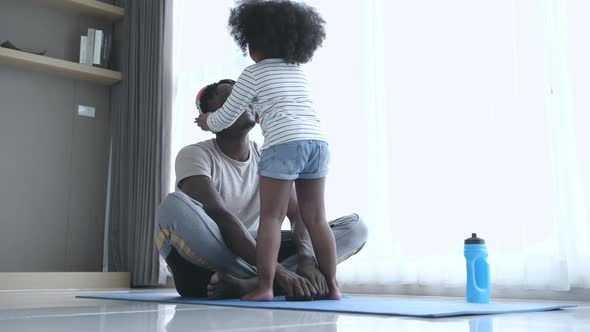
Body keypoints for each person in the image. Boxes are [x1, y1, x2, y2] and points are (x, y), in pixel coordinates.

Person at [157, 79, 368, 300]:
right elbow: (218, 214)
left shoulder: (270, 157)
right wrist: (280, 272)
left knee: (355, 227)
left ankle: (254, 284)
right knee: (174, 206)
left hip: (251, 255)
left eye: (247, 97)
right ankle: (275, 279)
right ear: (212, 118)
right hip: (202, 263)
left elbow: (297, 216)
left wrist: (307, 258)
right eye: (232, 99)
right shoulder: (194, 155)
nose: (245, 102)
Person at [196, 0, 337, 301]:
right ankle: (334, 287)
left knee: (272, 217)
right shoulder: (297, 70)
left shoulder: (253, 73)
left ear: (253, 43)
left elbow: (226, 116)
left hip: (283, 145)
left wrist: (207, 121)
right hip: (318, 143)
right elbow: (285, 108)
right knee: (317, 219)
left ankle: (266, 286)